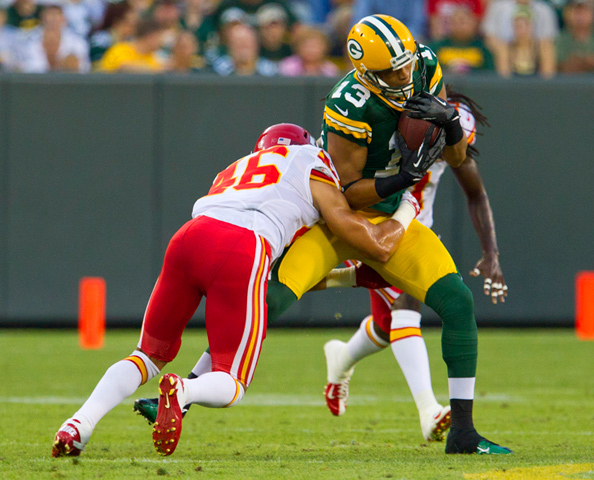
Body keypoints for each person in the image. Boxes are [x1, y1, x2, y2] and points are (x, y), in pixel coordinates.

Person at [135, 14, 512, 456]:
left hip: (395, 219)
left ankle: (463, 433)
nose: (405, 75)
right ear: (367, 72)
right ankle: (187, 391)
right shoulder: (349, 104)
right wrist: (402, 178)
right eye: (393, 71)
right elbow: (346, 192)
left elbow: (459, 157)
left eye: (407, 64)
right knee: (266, 301)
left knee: (458, 302)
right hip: (338, 219)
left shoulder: (424, 64)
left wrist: (449, 124)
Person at [51, 122, 428, 458]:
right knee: (232, 382)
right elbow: (309, 254)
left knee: (146, 356)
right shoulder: (312, 162)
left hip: (189, 236)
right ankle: (184, 390)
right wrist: (401, 206)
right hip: (242, 245)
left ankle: (79, 424)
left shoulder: (234, 170)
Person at [319, 87, 507, 443]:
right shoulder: (396, 126)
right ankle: (429, 411)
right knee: (406, 310)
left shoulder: (449, 138)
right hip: (370, 223)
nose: (450, 156)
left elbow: (476, 194)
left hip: (414, 231)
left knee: (386, 326)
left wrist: (491, 253)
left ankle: (342, 356)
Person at [428, 5, 494, 74]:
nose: (458, 26)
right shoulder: (436, 47)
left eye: (462, 22)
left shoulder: (483, 49)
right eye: (454, 22)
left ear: (473, 24)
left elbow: (490, 74)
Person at [97, 18, 165, 73]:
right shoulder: (120, 49)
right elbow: (121, 67)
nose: (161, 42)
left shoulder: (153, 59)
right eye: (159, 37)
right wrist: (152, 70)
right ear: (150, 37)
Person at [89, 0, 138, 67]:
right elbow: (96, 64)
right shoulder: (102, 39)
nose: (132, 29)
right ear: (117, 22)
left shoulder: (130, 41)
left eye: (135, 25)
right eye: (130, 25)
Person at [556, 0, 594, 74]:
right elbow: (560, 66)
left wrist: (586, 61)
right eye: (577, 12)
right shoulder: (560, 39)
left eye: (585, 12)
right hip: (569, 80)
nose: (581, 17)